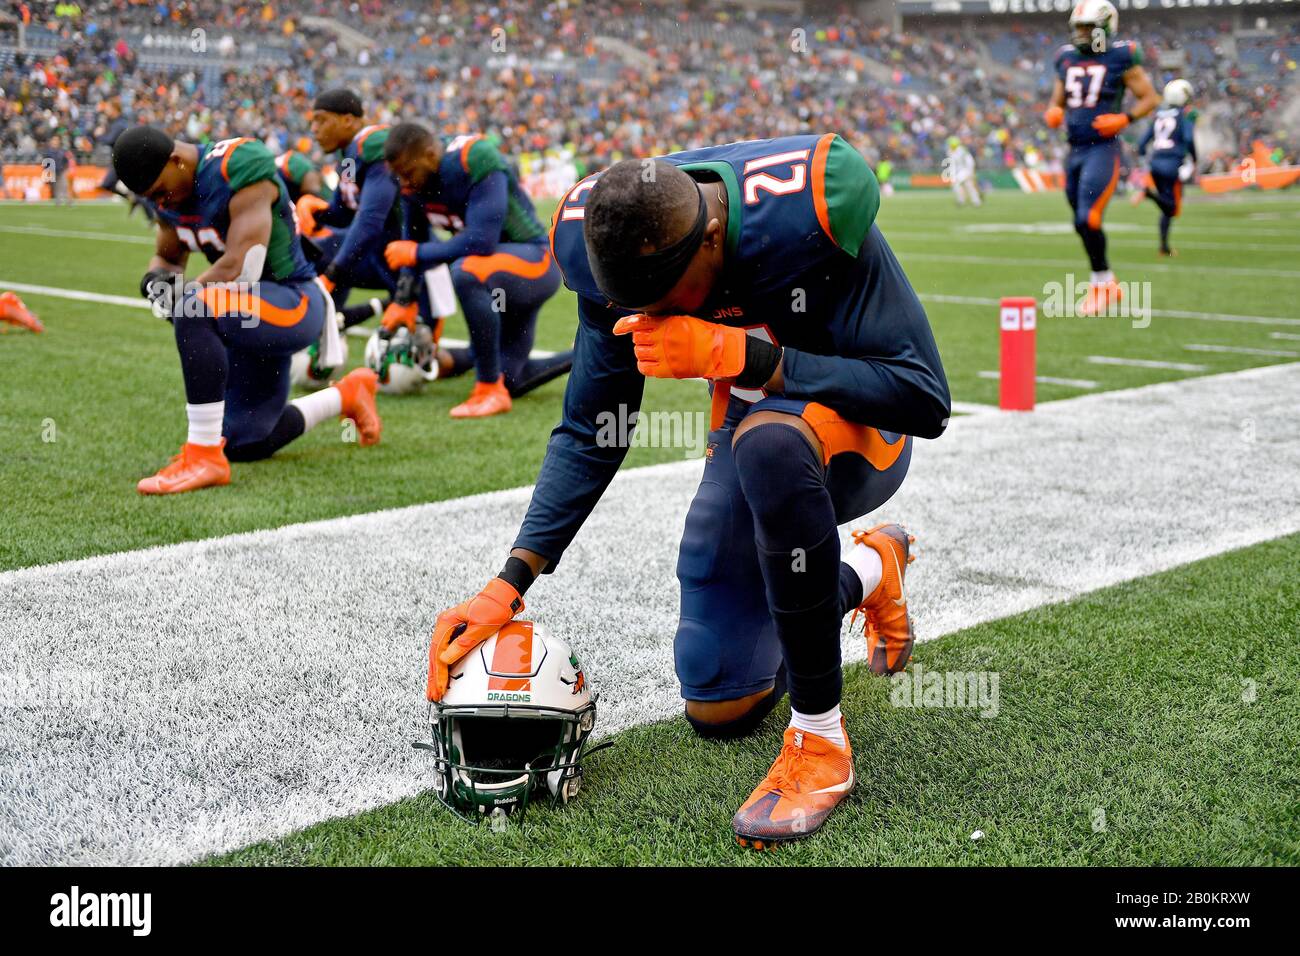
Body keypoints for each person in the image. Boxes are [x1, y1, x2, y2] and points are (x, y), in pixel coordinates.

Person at [424, 134, 950, 848]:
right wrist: (510, 580)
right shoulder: (609, 242)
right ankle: (869, 569)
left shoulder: (809, 213)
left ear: (711, 239)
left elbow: (923, 398)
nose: (649, 316)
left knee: (769, 441)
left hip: (859, 424)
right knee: (719, 696)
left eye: (663, 300)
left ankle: (820, 742)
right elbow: (590, 430)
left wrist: (751, 357)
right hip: (754, 415)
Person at [111, 125, 381, 494]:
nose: (162, 202)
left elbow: (244, 266)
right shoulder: (169, 196)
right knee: (245, 441)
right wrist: (158, 283)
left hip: (292, 300)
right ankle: (347, 395)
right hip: (246, 318)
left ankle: (203, 455)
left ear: (176, 159)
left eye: (160, 191)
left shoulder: (234, 164)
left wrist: (184, 300)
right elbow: (167, 256)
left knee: (195, 308)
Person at [382, 123, 573, 418]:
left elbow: (481, 241)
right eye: (398, 175)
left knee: (468, 271)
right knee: (511, 378)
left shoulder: (473, 158)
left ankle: (487, 388)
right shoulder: (413, 183)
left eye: (408, 172)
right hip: (498, 276)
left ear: (431, 154)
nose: (404, 182)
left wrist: (416, 253)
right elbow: (414, 241)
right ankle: (583, 354)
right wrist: (404, 299)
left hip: (534, 262)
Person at [1043, 0, 1159, 314]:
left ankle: (1102, 284)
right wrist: (1054, 112)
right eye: (1078, 27)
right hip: (1075, 149)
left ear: (1105, 28)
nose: (1081, 34)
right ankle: (1105, 282)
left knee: (1089, 217)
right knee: (1080, 223)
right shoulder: (1066, 58)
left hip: (1103, 148)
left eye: (1087, 27)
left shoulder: (1121, 56)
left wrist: (1125, 119)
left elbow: (1150, 97)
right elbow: (1057, 101)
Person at [1133, 79, 1197, 257]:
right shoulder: (1183, 115)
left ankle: (1164, 247)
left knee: (1167, 208)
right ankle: (1150, 194)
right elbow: (1189, 139)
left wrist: (1145, 162)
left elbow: (1141, 144)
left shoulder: (1159, 115)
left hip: (1156, 162)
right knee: (1172, 207)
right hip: (1172, 163)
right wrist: (1194, 159)